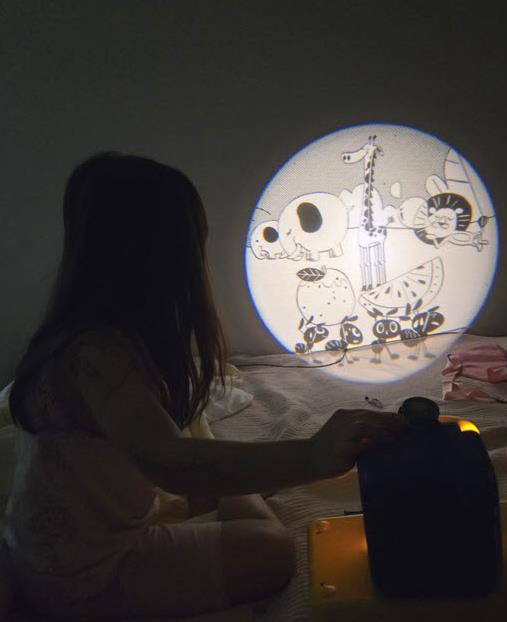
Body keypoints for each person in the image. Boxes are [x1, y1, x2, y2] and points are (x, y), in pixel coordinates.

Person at [5, 152, 407, 620]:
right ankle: (240, 493)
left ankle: (237, 489)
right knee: (271, 548)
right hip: (87, 577)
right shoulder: (96, 359)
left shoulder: (75, 338)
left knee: (215, 472)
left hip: (42, 556)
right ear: (164, 259)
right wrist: (312, 455)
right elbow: (174, 466)